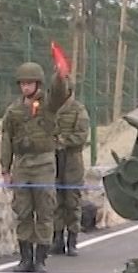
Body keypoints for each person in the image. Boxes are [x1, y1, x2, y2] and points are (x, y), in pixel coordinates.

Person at [0, 61, 62, 273]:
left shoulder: (48, 105)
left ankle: (41, 259)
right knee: (23, 211)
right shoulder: (14, 111)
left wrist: (60, 76)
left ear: (38, 84)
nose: (25, 87)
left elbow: (59, 93)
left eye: (30, 83)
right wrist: (5, 169)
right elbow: (6, 140)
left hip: (43, 162)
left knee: (45, 209)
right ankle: (25, 258)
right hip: (22, 164)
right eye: (23, 83)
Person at [51, 74, 90, 258]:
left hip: (72, 159)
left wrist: (63, 141)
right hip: (54, 158)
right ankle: (57, 239)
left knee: (72, 200)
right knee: (56, 200)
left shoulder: (78, 110)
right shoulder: (50, 108)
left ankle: (72, 240)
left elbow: (81, 135)